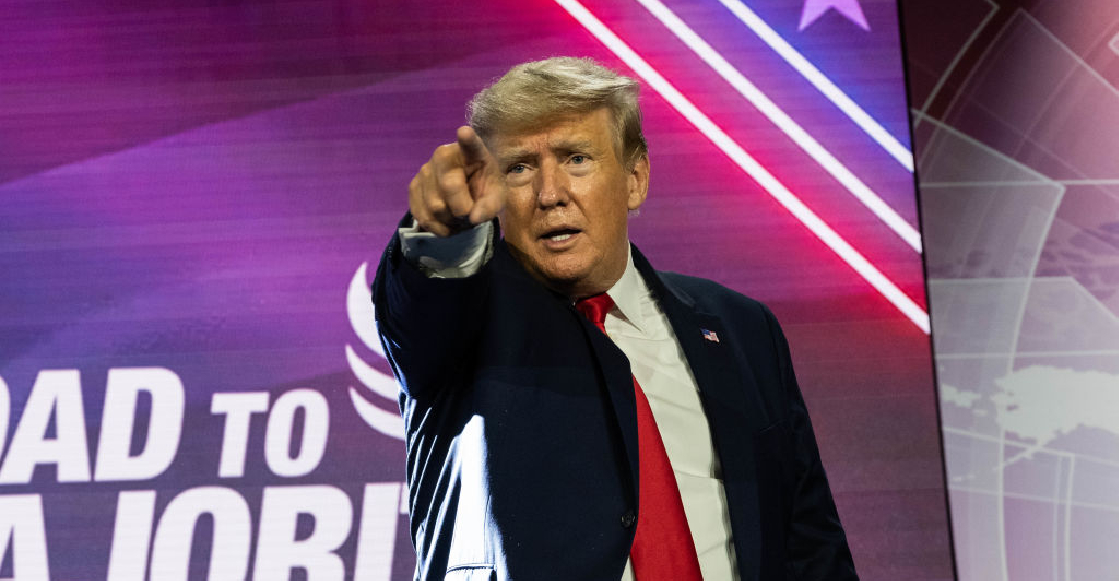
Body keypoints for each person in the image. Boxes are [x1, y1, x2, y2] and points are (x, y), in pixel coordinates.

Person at [373, 56, 858, 581]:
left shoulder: (742, 329)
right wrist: (443, 232)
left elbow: (810, 545)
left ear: (634, 178)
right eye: (519, 168)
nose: (550, 194)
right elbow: (423, 301)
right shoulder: (467, 324)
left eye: (576, 159)